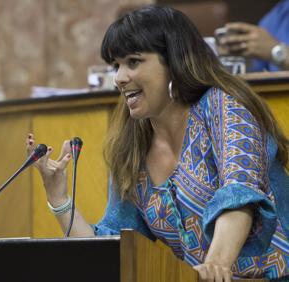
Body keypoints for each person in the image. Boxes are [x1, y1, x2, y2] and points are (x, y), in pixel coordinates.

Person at [27, 4, 289, 281]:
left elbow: (241, 195)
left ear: (173, 62)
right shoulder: (132, 148)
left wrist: (215, 265)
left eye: (133, 62)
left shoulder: (223, 108)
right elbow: (114, 247)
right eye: (116, 65)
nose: (119, 78)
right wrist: (59, 197)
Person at [216, 0, 289, 72]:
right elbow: (256, 67)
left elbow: (270, 50)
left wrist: (276, 51)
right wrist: (242, 56)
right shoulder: (282, 11)